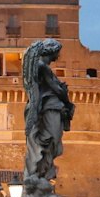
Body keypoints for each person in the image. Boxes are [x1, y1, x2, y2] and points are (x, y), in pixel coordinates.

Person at [22, 39, 73, 189]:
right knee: (50, 139)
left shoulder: (40, 66)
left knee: (52, 141)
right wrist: (65, 95)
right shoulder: (41, 67)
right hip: (47, 108)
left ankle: (43, 173)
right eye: (57, 53)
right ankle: (40, 174)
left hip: (49, 107)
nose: (58, 56)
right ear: (51, 51)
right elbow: (55, 89)